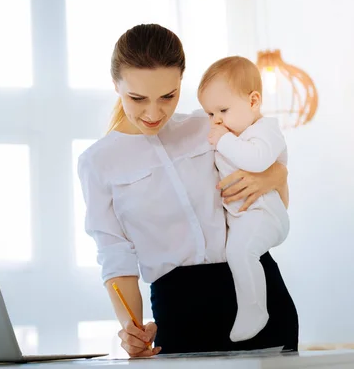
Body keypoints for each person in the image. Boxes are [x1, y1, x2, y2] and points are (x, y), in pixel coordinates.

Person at [77, 23, 298, 357]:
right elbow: (114, 254)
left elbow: (269, 164)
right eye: (137, 98)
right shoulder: (98, 162)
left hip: (258, 289)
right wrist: (131, 328)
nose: (154, 113)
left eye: (168, 96)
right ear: (115, 85)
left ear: (182, 81)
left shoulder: (208, 125)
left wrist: (276, 175)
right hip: (181, 309)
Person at [198, 56, 290, 343]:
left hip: (265, 215)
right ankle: (250, 306)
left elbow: (258, 160)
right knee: (235, 252)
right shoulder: (233, 133)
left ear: (253, 101)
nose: (216, 120)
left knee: (241, 253)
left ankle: (254, 310)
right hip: (244, 217)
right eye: (210, 114)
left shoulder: (265, 130)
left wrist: (223, 140)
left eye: (223, 110)